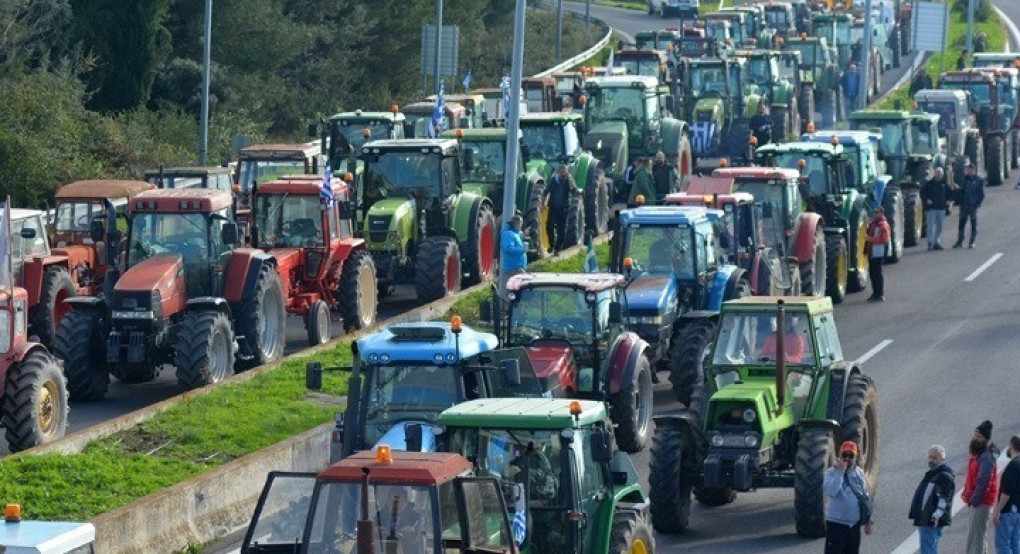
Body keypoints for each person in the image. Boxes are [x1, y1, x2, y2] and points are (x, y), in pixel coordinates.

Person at [825, 441, 875, 554]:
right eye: (845, 455)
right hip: (836, 524)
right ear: (840, 455)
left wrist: (868, 520)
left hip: (853, 525)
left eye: (851, 455)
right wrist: (839, 472)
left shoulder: (859, 473)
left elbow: (864, 496)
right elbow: (831, 491)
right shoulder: (831, 473)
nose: (847, 458)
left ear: (855, 457)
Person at [909, 445, 956, 554]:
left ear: (942, 459)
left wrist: (937, 515)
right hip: (926, 519)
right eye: (930, 457)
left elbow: (944, 499)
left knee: (928, 550)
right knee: (929, 548)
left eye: (934, 457)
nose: (931, 460)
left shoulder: (944, 476)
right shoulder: (934, 473)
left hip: (931, 520)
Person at [964, 420, 1000, 554]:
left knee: (975, 538)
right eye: (975, 435)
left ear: (986, 439)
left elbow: (983, 482)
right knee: (978, 536)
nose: (975, 438)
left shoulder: (985, 457)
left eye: (979, 436)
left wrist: (974, 500)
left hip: (981, 502)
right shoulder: (981, 454)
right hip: (979, 500)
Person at [994, 435, 1020, 554]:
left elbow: (1006, 492)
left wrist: (997, 510)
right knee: (1015, 545)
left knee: (1003, 545)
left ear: (1011, 446)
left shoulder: (1013, 465)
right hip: (1018, 512)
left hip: (1008, 511)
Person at [544, 163, 578, 253]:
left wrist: (571, 183)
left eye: (564, 172)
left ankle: (558, 248)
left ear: (567, 172)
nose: (563, 174)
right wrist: (542, 203)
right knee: (549, 225)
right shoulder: (553, 180)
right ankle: (551, 244)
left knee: (562, 229)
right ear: (558, 172)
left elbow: (574, 192)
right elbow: (546, 191)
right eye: (561, 172)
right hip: (553, 206)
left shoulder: (569, 180)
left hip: (564, 208)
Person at [954, 162, 985, 248]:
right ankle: (960, 241)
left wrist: (977, 203)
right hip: (964, 205)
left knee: (973, 224)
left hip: (972, 205)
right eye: (966, 169)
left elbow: (981, 194)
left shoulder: (978, 180)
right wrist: (958, 190)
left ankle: (972, 242)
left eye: (968, 169)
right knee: (961, 224)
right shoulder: (964, 179)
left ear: (973, 170)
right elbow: (962, 191)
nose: (967, 171)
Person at [921, 167, 951, 250]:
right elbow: (922, 193)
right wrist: (927, 200)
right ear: (934, 174)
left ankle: (936, 242)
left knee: (939, 226)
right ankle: (930, 243)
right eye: (937, 173)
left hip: (941, 208)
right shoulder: (929, 184)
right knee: (930, 226)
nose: (938, 175)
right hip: (931, 209)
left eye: (940, 173)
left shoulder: (944, 184)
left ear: (942, 175)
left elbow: (950, 193)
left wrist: (948, 201)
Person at [866, 207, 891, 302]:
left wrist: (870, 239)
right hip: (872, 251)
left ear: (881, 213)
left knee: (878, 274)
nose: (874, 214)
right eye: (874, 212)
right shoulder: (873, 223)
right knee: (872, 273)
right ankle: (875, 293)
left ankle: (880, 294)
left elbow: (885, 240)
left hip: (879, 252)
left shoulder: (883, 225)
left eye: (876, 212)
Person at [500, 215, 528, 295]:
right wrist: (522, 249)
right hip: (514, 267)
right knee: (521, 287)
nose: (521, 226)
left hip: (517, 266)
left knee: (517, 288)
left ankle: (512, 300)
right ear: (518, 223)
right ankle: (511, 301)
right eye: (521, 223)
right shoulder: (508, 234)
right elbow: (508, 249)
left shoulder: (514, 233)